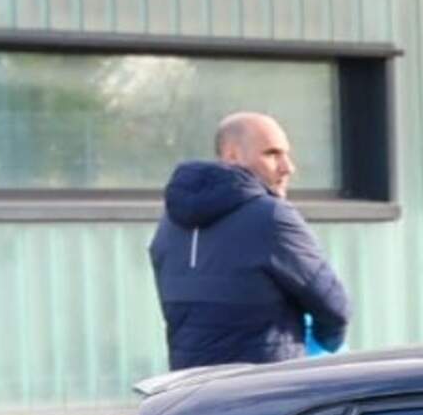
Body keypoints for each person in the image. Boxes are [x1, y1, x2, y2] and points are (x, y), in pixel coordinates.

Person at [150, 111, 350, 371]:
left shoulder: (169, 223)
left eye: (286, 154)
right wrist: (325, 344)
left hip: (190, 389)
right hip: (265, 389)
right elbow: (334, 306)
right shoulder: (272, 217)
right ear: (232, 156)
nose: (288, 167)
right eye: (272, 154)